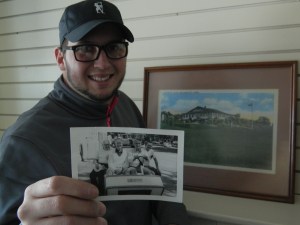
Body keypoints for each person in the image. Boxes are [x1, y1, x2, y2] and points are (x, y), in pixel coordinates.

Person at [0, 0, 190, 225]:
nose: (103, 64)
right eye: (86, 49)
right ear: (61, 59)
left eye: (114, 47)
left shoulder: (126, 105)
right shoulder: (22, 140)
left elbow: (161, 193)